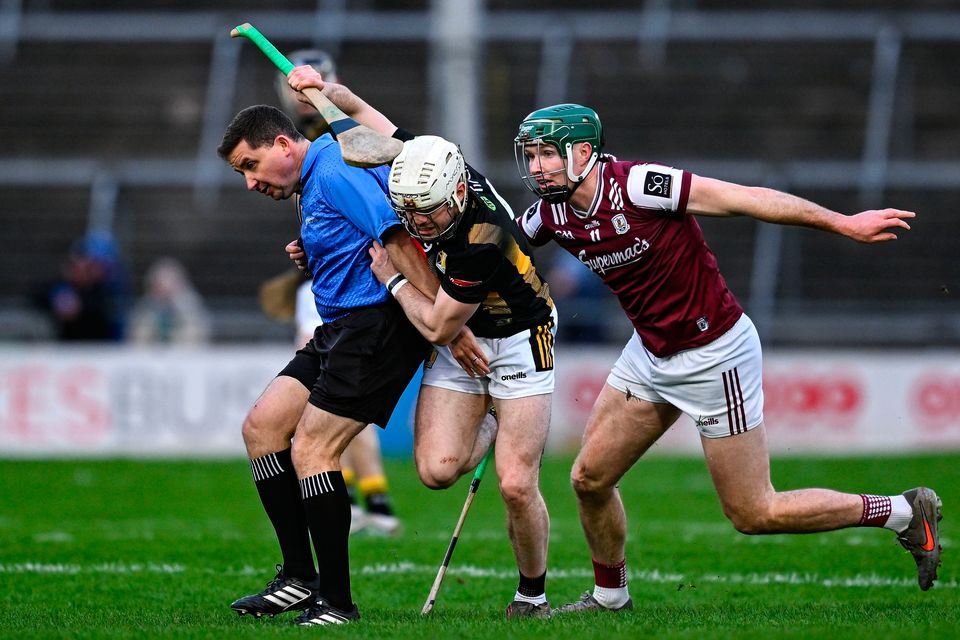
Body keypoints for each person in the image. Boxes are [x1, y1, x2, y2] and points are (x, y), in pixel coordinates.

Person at [511, 103, 942, 612]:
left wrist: (842, 223)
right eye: (531, 156)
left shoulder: (639, 185)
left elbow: (749, 200)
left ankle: (900, 510)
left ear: (583, 152)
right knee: (589, 479)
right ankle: (610, 596)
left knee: (754, 512)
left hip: (714, 355)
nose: (537, 167)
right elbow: (493, 248)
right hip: (649, 354)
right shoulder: (548, 214)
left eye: (547, 155)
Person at [285, 65, 558, 618]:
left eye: (428, 212)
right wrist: (321, 89)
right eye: (408, 211)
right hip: (463, 334)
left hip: (520, 336)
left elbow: (437, 325)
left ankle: (532, 593)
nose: (419, 222)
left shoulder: (480, 238)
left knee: (514, 484)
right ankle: (494, 417)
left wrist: (390, 277)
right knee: (435, 472)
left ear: (457, 192)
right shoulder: (422, 162)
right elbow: (361, 117)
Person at [216, 102, 486, 625]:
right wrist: (313, 248)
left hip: (377, 327)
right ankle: (298, 579)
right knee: (262, 428)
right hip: (339, 329)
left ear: (281, 146)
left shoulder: (336, 169)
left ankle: (336, 602)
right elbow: (360, 232)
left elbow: (398, 239)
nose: (249, 183)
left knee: (314, 448)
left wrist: (445, 326)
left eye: (250, 166)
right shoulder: (316, 177)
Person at [276, 49, 402, 537]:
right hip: (325, 279)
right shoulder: (294, 138)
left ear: (333, 83)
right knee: (326, 405)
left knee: (330, 405)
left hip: (357, 286)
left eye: (316, 82)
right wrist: (308, 250)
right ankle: (367, 499)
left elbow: (374, 204)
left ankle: (365, 499)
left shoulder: (342, 131)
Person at [294, 278, 401, 536]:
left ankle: (352, 504)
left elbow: (307, 336)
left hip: (336, 363)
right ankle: (375, 504)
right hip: (358, 358)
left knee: (328, 433)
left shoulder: (316, 286)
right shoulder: (351, 280)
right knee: (354, 430)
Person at [35, 231, 128, 341]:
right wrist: (56, 299)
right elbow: (37, 297)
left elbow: (103, 312)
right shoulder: (60, 287)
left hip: (99, 346)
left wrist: (79, 307)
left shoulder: (107, 290)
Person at [129, 257, 211, 345]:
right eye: (160, 286)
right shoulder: (145, 308)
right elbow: (137, 336)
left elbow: (200, 333)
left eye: (169, 286)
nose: (165, 291)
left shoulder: (191, 305)